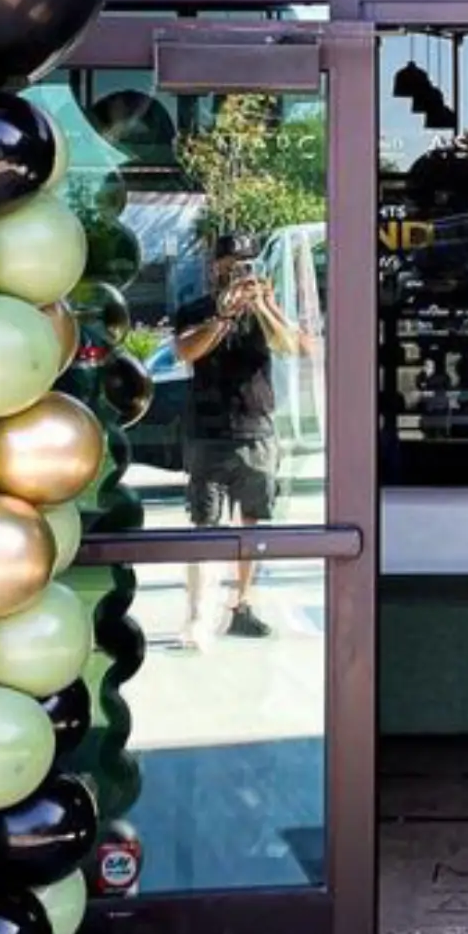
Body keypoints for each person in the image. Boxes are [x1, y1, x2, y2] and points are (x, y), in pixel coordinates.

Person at [173, 233, 309, 642]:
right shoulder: (197, 309)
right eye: (231, 262)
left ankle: (242, 605)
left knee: (252, 522)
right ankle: (198, 614)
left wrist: (264, 307)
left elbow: (292, 346)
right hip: (209, 431)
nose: (239, 269)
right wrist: (224, 316)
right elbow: (186, 351)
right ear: (215, 267)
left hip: (255, 428)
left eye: (247, 262)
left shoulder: (266, 309)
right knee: (205, 522)